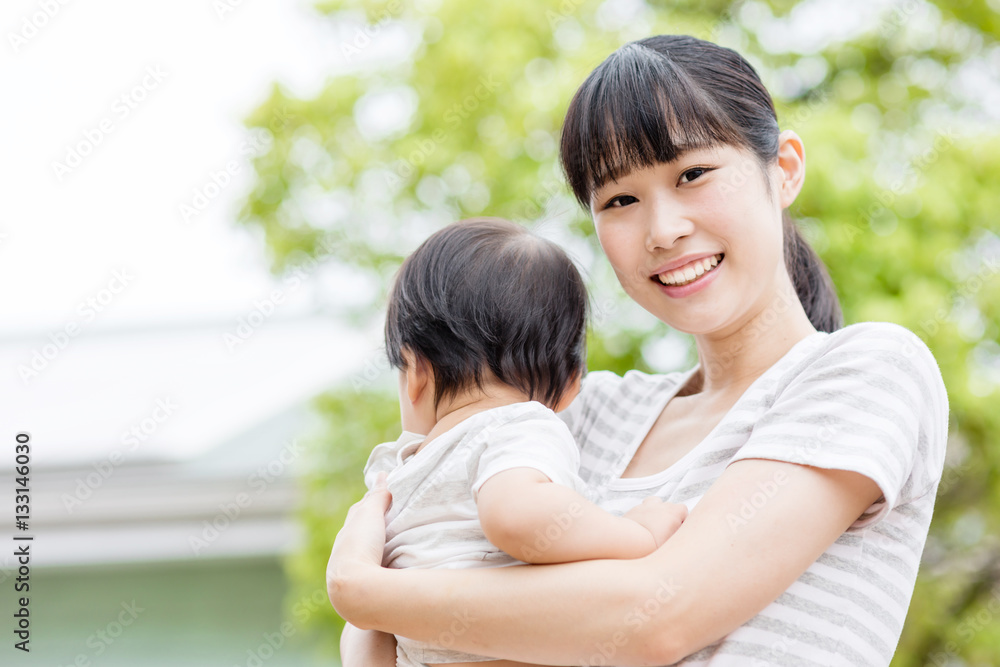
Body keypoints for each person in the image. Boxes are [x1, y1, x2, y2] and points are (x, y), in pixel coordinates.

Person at [328, 35, 949, 667]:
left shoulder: (866, 372)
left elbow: (656, 616)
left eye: (693, 174)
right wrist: (377, 601)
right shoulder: (575, 413)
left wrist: (366, 593)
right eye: (620, 199)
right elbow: (410, 557)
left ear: (783, 168)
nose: (664, 231)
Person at [366, 217, 689, 667]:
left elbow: (366, 624)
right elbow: (516, 516)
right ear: (571, 385)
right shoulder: (522, 426)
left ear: (415, 371)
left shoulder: (395, 473)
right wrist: (637, 533)